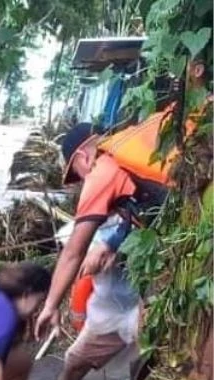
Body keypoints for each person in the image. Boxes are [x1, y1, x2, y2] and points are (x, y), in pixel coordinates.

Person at [34, 67, 208, 340]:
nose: (82, 181)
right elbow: (141, 205)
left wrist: (51, 305)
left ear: (83, 158)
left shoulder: (102, 169)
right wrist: (111, 243)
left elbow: (73, 252)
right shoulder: (131, 144)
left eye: (77, 175)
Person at [49, 217, 141, 380]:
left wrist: (111, 244)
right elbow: (75, 258)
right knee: (73, 363)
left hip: (146, 307)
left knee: (152, 361)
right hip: (110, 315)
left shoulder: (141, 217)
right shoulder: (90, 228)